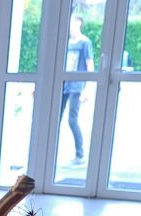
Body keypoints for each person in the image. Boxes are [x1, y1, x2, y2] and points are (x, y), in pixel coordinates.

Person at [60, 15, 92, 165]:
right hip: (64, 84)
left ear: (79, 23)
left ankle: (80, 154)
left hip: (77, 85)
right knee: (55, 118)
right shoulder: (66, 43)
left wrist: (87, 89)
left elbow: (90, 66)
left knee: (72, 120)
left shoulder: (85, 43)